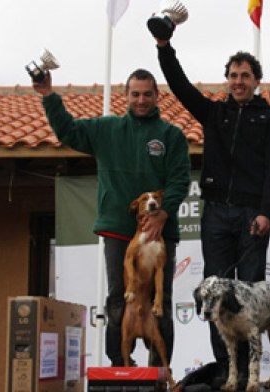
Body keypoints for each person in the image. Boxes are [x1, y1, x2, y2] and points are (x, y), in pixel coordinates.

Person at [151, 32, 270, 388]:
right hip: (216, 214)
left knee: (252, 294)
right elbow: (179, 86)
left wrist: (266, 212)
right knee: (216, 293)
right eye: (233, 75)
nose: (239, 82)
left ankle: (251, 373)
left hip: (252, 216)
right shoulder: (214, 112)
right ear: (227, 80)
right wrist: (164, 48)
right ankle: (228, 368)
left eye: (245, 76)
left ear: (256, 81)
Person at [32, 69, 191, 367]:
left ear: (157, 96)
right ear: (126, 96)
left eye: (147, 94)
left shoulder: (172, 135)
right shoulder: (106, 129)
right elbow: (67, 131)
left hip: (160, 231)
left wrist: (164, 214)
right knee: (119, 297)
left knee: (161, 300)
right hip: (119, 229)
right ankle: (119, 368)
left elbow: (180, 180)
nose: (141, 100)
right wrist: (48, 95)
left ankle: (158, 373)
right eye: (135, 94)